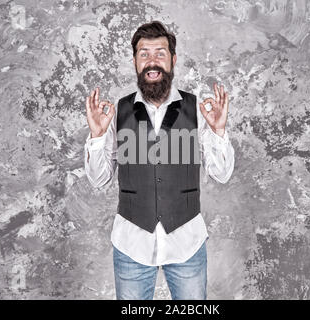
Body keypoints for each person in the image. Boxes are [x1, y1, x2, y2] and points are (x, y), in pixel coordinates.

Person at [84, 21, 234, 300]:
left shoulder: (198, 109)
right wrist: (96, 135)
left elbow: (222, 174)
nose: (152, 61)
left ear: (173, 59)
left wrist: (219, 132)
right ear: (135, 62)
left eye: (160, 53)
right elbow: (99, 180)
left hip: (187, 243)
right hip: (132, 245)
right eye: (144, 54)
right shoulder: (115, 112)